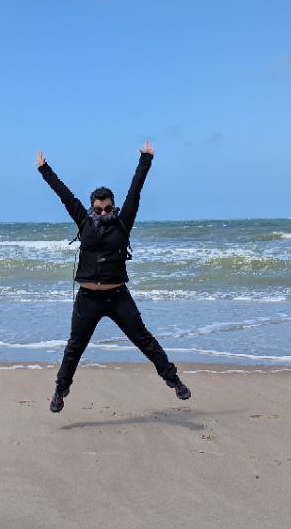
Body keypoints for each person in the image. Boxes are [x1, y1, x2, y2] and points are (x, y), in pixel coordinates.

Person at [36, 140, 191, 413]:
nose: (104, 213)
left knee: (144, 340)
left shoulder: (123, 222)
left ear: (114, 207)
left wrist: (145, 160)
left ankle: (174, 381)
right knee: (74, 348)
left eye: (108, 208)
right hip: (87, 299)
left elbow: (136, 191)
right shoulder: (83, 221)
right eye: (98, 209)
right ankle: (61, 390)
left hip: (118, 296)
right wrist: (44, 170)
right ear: (91, 209)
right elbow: (64, 194)